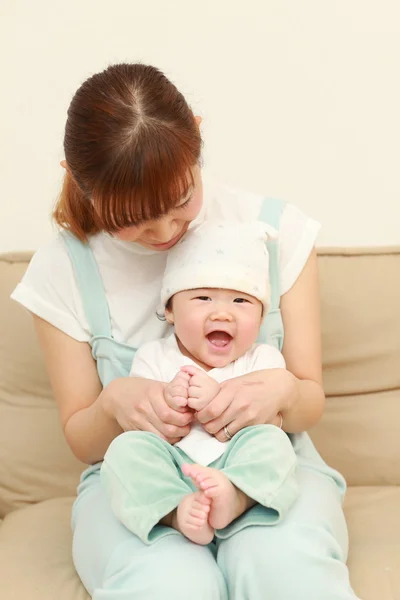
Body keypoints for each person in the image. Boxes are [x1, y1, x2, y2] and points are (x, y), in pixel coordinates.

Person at [11, 63, 359, 599]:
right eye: (133, 219)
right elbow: (83, 441)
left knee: (285, 567)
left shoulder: (276, 230)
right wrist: (113, 404)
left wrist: (285, 390)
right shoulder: (62, 271)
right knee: (168, 582)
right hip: (143, 481)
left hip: (270, 466)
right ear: (76, 177)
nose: (165, 233)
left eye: (180, 203)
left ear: (196, 135)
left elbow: (310, 400)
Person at [101, 220, 300, 546]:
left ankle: (235, 497)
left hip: (236, 461)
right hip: (171, 464)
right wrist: (169, 398)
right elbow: (143, 420)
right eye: (204, 298)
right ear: (170, 311)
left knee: (275, 446)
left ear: (262, 319)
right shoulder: (153, 356)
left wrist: (216, 396)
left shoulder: (263, 361)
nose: (222, 314)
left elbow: (268, 422)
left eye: (241, 302)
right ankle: (175, 509)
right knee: (125, 451)